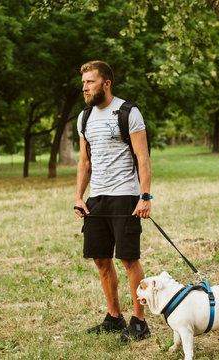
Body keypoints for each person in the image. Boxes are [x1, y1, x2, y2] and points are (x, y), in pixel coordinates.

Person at [74, 60, 152, 342]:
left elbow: (143, 158)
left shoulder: (128, 112)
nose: (85, 87)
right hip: (97, 199)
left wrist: (145, 196)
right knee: (101, 259)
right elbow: (85, 161)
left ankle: (139, 322)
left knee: (129, 259)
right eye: (83, 82)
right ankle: (114, 317)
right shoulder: (84, 118)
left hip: (126, 197)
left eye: (90, 81)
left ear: (107, 83)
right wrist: (79, 197)